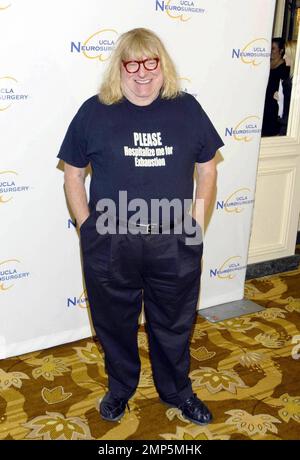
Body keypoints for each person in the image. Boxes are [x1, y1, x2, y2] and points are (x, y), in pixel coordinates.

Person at [57, 28, 224, 426]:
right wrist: (89, 228)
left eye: (151, 63)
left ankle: (177, 390)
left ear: (163, 67)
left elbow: (207, 170)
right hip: (112, 242)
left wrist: (196, 225)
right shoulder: (94, 111)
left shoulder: (187, 109)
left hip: (174, 241)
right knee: (114, 321)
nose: (142, 74)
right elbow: (73, 176)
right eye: (132, 64)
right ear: (120, 69)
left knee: (175, 321)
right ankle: (120, 388)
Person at [262, 37, 290, 136]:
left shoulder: (284, 70)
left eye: (273, 48)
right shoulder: (264, 64)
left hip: (273, 111)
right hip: (263, 108)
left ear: (281, 50)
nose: (270, 51)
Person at [278, 40, 297, 135]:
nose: (284, 57)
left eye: (286, 54)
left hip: (290, 129)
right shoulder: (292, 79)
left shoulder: (293, 83)